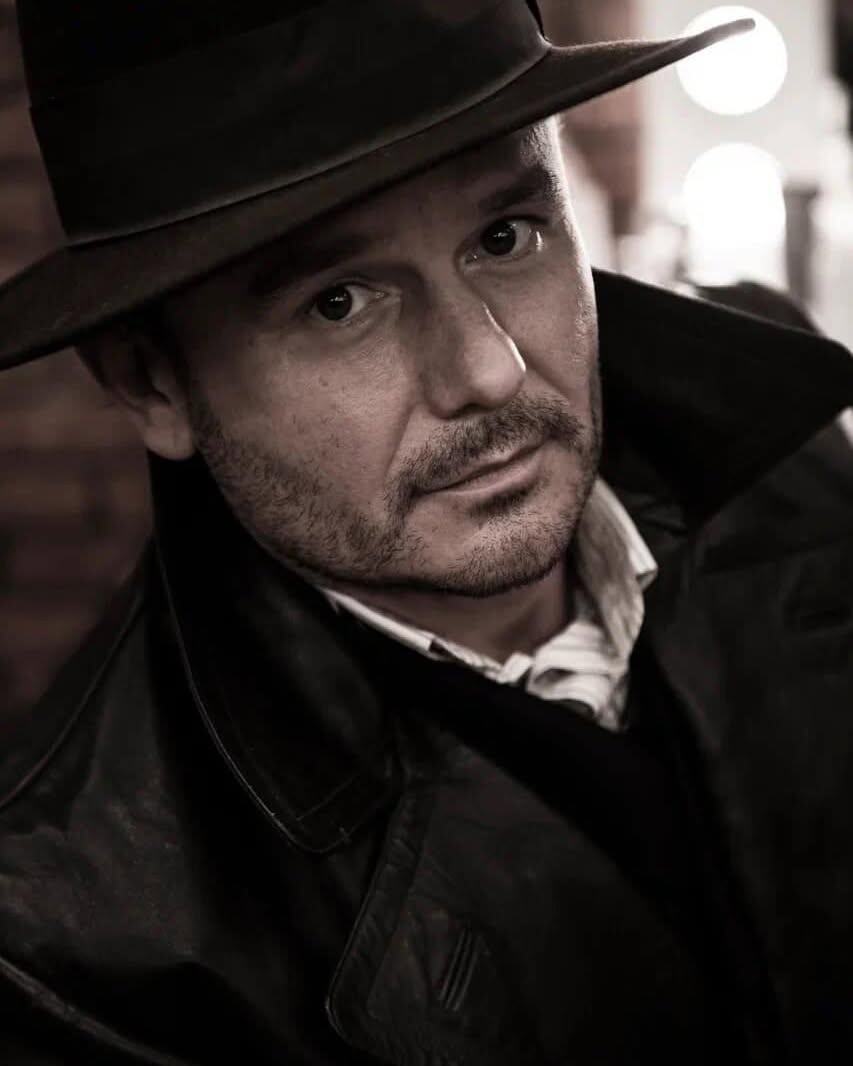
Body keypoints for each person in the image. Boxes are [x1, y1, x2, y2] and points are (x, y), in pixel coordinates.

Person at [0, 2, 852, 1064]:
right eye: (339, 302)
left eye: (505, 237)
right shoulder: (75, 943)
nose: (489, 370)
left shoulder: (786, 449)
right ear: (151, 382)